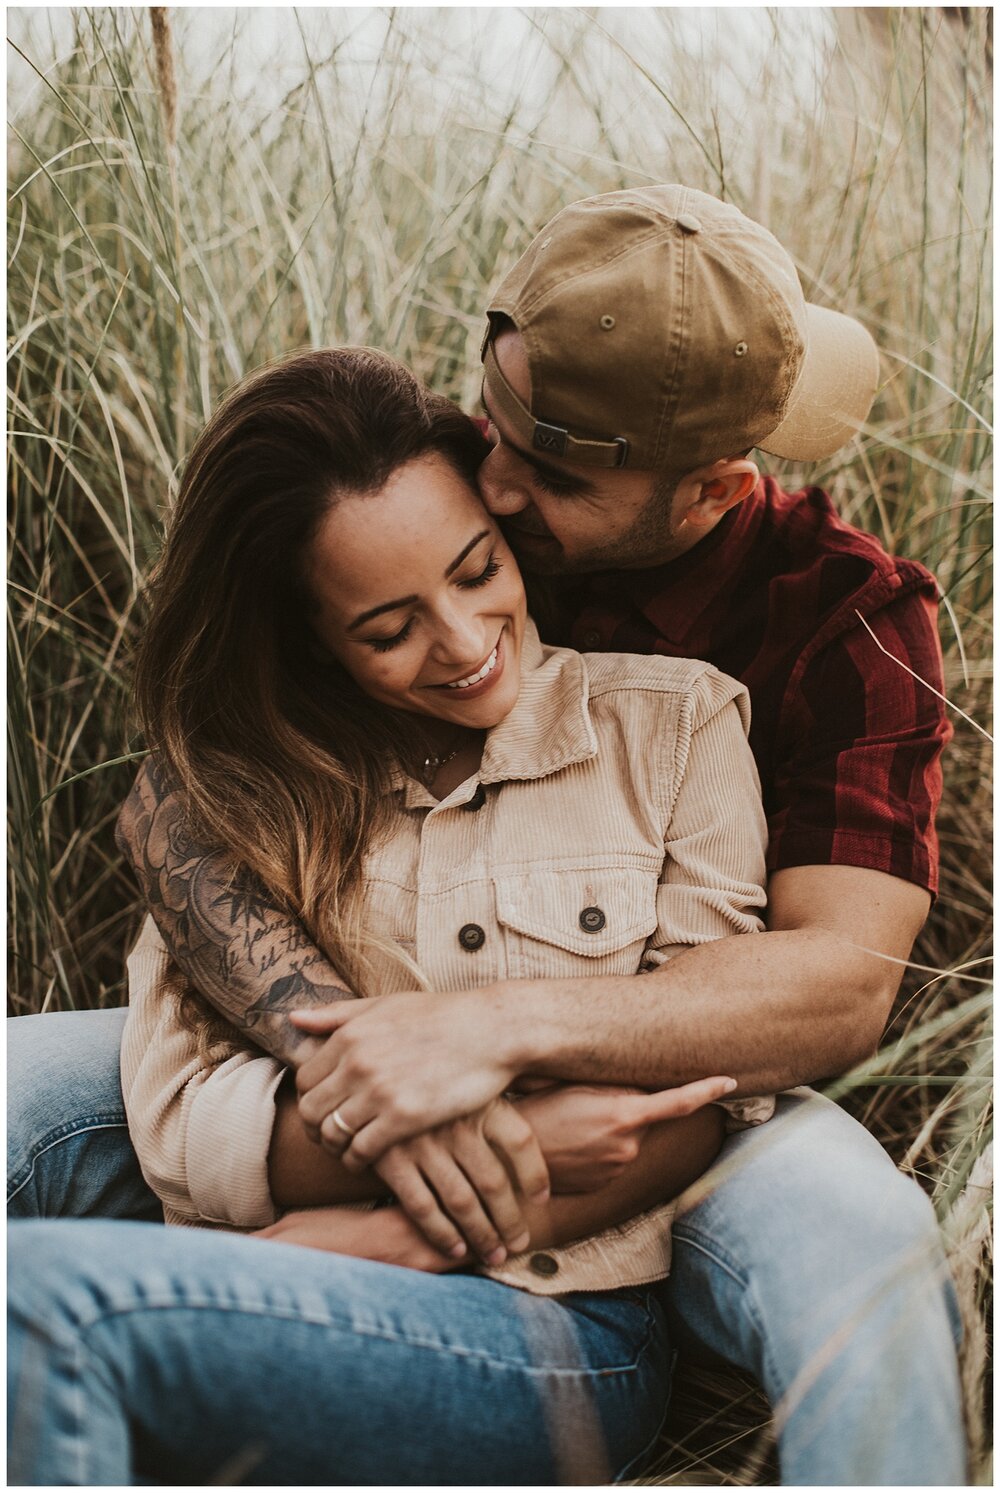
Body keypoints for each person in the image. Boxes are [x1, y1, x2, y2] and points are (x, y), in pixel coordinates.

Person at [8, 185, 965, 1484]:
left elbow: (839, 980)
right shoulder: (454, 475)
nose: (494, 482)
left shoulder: (846, 621)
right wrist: (368, 1070)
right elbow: (190, 796)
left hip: (698, 1100)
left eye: (550, 475)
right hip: (363, 1026)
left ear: (710, 491)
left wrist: (490, 1031)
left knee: (867, 1250)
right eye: (494, 423)